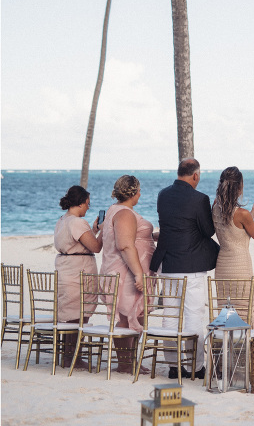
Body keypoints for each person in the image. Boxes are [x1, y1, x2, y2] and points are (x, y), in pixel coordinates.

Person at [150, 158, 219, 380]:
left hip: (168, 264)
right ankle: (196, 367)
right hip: (191, 267)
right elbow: (208, 231)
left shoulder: (163, 195)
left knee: (170, 316)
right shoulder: (200, 199)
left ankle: (173, 366)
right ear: (195, 176)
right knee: (193, 316)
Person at [100, 175, 157, 373]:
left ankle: (130, 361)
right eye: (139, 190)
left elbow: (135, 236)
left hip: (129, 271)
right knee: (126, 316)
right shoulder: (124, 213)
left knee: (135, 315)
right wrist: (139, 274)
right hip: (126, 273)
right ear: (134, 193)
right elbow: (125, 245)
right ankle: (125, 364)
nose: (140, 194)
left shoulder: (119, 211)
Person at [212, 166, 254, 328]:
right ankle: (244, 349)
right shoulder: (242, 214)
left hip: (222, 268)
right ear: (239, 188)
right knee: (244, 310)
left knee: (226, 311)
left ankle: (225, 348)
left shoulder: (215, 207)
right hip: (240, 267)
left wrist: (253, 213)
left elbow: (235, 229)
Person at [54, 185, 103, 368]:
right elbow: (96, 247)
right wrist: (103, 231)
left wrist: (94, 230)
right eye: (88, 204)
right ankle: (73, 357)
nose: (88, 208)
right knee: (79, 315)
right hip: (78, 271)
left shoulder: (62, 220)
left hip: (66, 268)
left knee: (71, 314)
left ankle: (68, 356)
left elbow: (82, 242)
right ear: (81, 203)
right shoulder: (77, 222)